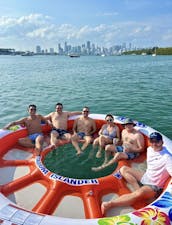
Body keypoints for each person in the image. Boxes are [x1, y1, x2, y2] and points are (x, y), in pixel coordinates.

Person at [101, 132, 172, 215]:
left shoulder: (167, 157)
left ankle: (109, 204)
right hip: (146, 176)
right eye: (152, 141)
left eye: (157, 141)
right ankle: (139, 190)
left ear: (162, 142)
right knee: (123, 169)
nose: (154, 144)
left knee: (138, 194)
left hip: (154, 185)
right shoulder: (150, 150)